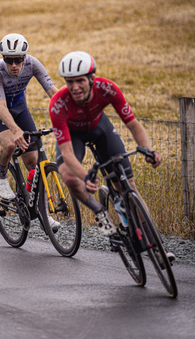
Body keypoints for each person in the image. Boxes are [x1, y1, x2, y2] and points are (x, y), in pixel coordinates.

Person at [49, 51, 171, 250]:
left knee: (127, 185)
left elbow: (133, 124)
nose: (74, 87)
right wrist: (86, 176)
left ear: (91, 78)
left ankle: (155, 240)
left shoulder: (107, 89)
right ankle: (100, 213)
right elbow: (68, 154)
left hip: (100, 130)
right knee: (69, 176)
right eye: (69, 81)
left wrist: (149, 150)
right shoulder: (58, 103)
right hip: (74, 136)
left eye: (80, 80)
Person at [0, 34, 59, 211]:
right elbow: (0, 107)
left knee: (33, 161)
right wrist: (15, 131)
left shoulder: (32, 64)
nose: (14, 65)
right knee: (9, 144)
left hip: (18, 107)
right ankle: (0, 176)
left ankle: (40, 210)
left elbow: (52, 91)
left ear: (25, 57)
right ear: (3, 59)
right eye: (9, 60)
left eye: (18, 60)